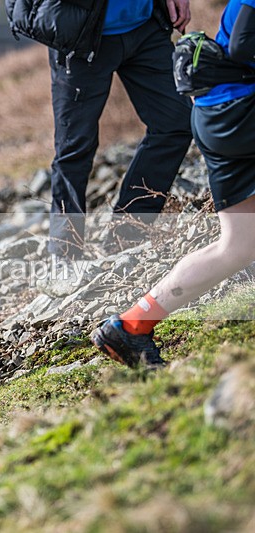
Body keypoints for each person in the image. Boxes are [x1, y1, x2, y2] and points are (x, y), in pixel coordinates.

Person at [92, 0, 255, 367]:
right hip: (240, 112)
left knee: (239, 245)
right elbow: (245, 44)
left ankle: (131, 326)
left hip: (219, 113)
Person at [46, 0, 194, 258]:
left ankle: (128, 235)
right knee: (75, 149)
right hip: (81, 35)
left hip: (145, 24)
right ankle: (65, 254)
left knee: (176, 124)